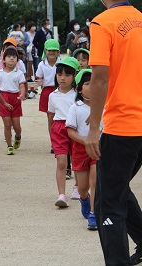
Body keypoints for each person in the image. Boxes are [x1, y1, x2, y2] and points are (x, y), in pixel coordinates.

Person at [85, 1, 142, 264]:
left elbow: (99, 77)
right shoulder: (139, 19)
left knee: (108, 203)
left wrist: (94, 127)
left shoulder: (103, 22)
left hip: (123, 125)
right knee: (117, 186)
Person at [66, 69, 101, 230]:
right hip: (80, 150)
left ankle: (93, 213)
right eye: (88, 84)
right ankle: (84, 199)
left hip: (99, 149)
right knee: (82, 187)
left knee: (95, 181)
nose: (92, 86)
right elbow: (70, 131)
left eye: (95, 83)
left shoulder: (105, 107)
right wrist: (85, 141)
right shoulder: (75, 108)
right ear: (79, 89)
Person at [47, 57, 80, 208]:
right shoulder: (52, 95)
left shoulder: (77, 95)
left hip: (75, 128)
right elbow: (50, 116)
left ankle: (78, 187)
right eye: (59, 74)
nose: (62, 78)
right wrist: (51, 134)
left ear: (74, 76)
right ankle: (61, 194)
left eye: (67, 75)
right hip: (59, 129)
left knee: (77, 161)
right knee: (61, 162)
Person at [0, 46, 27, 155]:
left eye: (14, 57)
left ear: (17, 60)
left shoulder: (19, 73)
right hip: (4, 98)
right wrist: (1, 100)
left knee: (17, 126)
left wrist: (22, 93)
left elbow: (22, 85)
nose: (12, 59)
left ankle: (18, 136)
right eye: (9, 56)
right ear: (3, 60)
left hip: (15, 98)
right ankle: (9, 146)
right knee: (7, 124)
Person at [35, 39, 60, 145]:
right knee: (51, 118)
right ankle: (53, 142)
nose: (51, 52)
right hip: (47, 92)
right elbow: (38, 77)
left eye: (54, 50)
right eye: (49, 50)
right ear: (45, 51)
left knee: (60, 118)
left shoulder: (61, 63)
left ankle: (60, 140)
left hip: (59, 91)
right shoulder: (42, 64)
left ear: (58, 52)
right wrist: (39, 81)